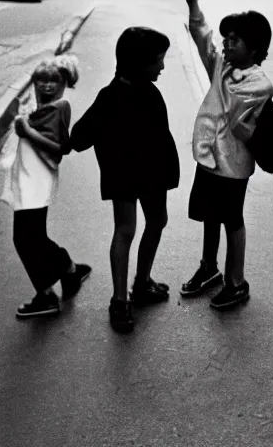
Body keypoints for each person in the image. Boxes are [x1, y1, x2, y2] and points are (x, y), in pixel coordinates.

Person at [70, 27, 181, 333]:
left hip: (153, 175)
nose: (162, 66)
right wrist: (58, 139)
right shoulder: (110, 96)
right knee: (126, 229)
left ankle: (142, 282)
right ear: (139, 62)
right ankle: (120, 300)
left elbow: (162, 139)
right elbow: (82, 134)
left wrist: (169, 175)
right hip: (125, 175)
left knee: (157, 221)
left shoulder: (150, 93)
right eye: (158, 60)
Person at [178, 0, 273, 310]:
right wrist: (193, 1)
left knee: (232, 218)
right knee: (209, 214)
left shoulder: (258, 83)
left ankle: (236, 281)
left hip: (233, 163)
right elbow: (203, 37)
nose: (227, 44)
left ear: (256, 50)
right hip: (209, 155)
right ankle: (209, 268)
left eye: (236, 40)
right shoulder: (225, 65)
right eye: (227, 39)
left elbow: (233, 107)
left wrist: (221, 67)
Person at [2, 55, 92, 318]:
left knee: (24, 238)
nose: (47, 85)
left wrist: (27, 131)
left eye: (54, 80)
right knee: (33, 236)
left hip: (36, 179)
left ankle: (47, 294)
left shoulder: (58, 107)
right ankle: (68, 270)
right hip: (28, 177)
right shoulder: (44, 106)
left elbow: (58, 149)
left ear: (64, 83)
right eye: (41, 80)